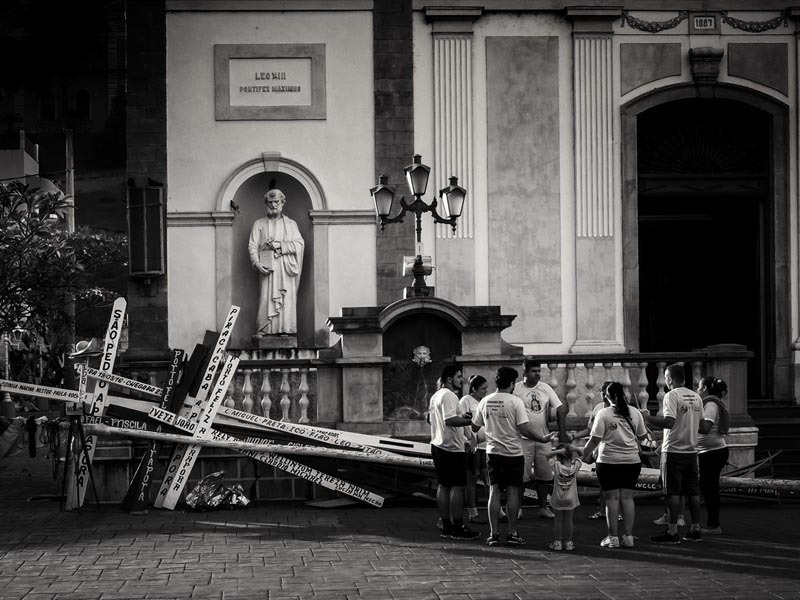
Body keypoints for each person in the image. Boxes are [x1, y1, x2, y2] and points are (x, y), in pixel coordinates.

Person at [471, 367, 557, 547]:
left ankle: (494, 534)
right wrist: (541, 438)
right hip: (513, 453)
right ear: (511, 383)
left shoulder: (485, 401)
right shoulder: (515, 402)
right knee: (513, 492)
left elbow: (474, 427)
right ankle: (512, 532)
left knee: (494, 492)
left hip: (492, 452)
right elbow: (524, 429)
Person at [582, 382, 648, 549]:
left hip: (608, 462)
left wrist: (584, 454)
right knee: (627, 498)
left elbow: (595, 439)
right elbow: (642, 437)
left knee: (611, 499)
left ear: (606, 396)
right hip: (631, 461)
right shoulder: (635, 412)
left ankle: (613, 537)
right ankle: (628, 536)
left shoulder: (603, 413)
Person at [645, 363, 704, 544]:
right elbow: (702, 425)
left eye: (666, 378)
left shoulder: (671, 395)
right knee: (693, 491)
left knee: (673, 492)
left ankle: (672, 531)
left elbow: (669, 422)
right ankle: (695, 528)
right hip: (691, 450)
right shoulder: (696, 396)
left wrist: (646, 417)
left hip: (673, 450)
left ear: (669, 379)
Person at [429, 364, 480, 540]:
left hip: (438, 444)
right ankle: (458, 527)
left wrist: (463, 420)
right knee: (458, 486)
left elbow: (435, 419)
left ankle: (446, 525)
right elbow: (450, 420)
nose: (462, 380)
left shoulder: (436, 395)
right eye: (459, 377)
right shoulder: (449, 395)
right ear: (449, 379)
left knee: (444, 485)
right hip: (451, 447)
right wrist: (471, 421)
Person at [513, 359, 568, 519]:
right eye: (533, 371)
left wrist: (563, 434)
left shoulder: (545, 388)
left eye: (539, 371)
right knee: (521, 476)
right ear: (524, 371)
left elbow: (560, 408)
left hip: (544, 438)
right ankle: (518, 507)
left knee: (544, 475)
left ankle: (543, 507)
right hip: (522, 439)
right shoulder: (516, 389)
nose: (537, 374)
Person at [248, 189, 305, 336]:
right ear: (266, 203)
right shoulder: (259, 224)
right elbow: (252, 245)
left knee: (286, 299)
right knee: (266, 298)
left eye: (276, 202)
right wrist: (256, 263)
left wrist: (281, 245)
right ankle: (264, 329)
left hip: (285, 268)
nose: (273, 205)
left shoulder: (292, 224)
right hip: (267, 267)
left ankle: (285, 329)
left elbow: (299, 244)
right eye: (270, 202)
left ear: (282, 202)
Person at [570, 380, 612, 520]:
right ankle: (603, 510)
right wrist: (574, 436)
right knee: (604, 483)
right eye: (601, 392)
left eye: (605, 392)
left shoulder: (620, 409)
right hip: (600, 451)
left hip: (612, 451)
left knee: (613, 485)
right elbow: (591, 430)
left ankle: (614, 512)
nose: (603, 395)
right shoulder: (598, 408)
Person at [697, 376, 731, 535]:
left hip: (713, 453)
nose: (697, 390)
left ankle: (714, 525)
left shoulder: (710, 404)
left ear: (704, 389)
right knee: (708, 488)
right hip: (710, 452)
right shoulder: (711, 403)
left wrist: (689, 422)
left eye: (699, 387)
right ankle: (713, 523)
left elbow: (705, 428)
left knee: (709, 489)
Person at [459, 375, 489, 524]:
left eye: (486, 388)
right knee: (472, 476)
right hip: (473, 444)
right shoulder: (466, 401)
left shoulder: (484, 401)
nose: (485, 391)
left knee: (487, 475)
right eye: (483, 389)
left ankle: (496, 509)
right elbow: (464, 422)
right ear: (474, 389)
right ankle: (472, 511)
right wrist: (470, 439)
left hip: (486, 445)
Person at [545, 444, 582, 551]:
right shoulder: (575, 466)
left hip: (558, 498)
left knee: (558, 520)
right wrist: (576, 448)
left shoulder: (556, 465)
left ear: (559, 457)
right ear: (571, 457)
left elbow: (547, 455)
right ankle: (568, 542)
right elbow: (582, 454)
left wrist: (558, 451)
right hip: (571, 498)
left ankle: (557, 542)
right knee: (569, 521)